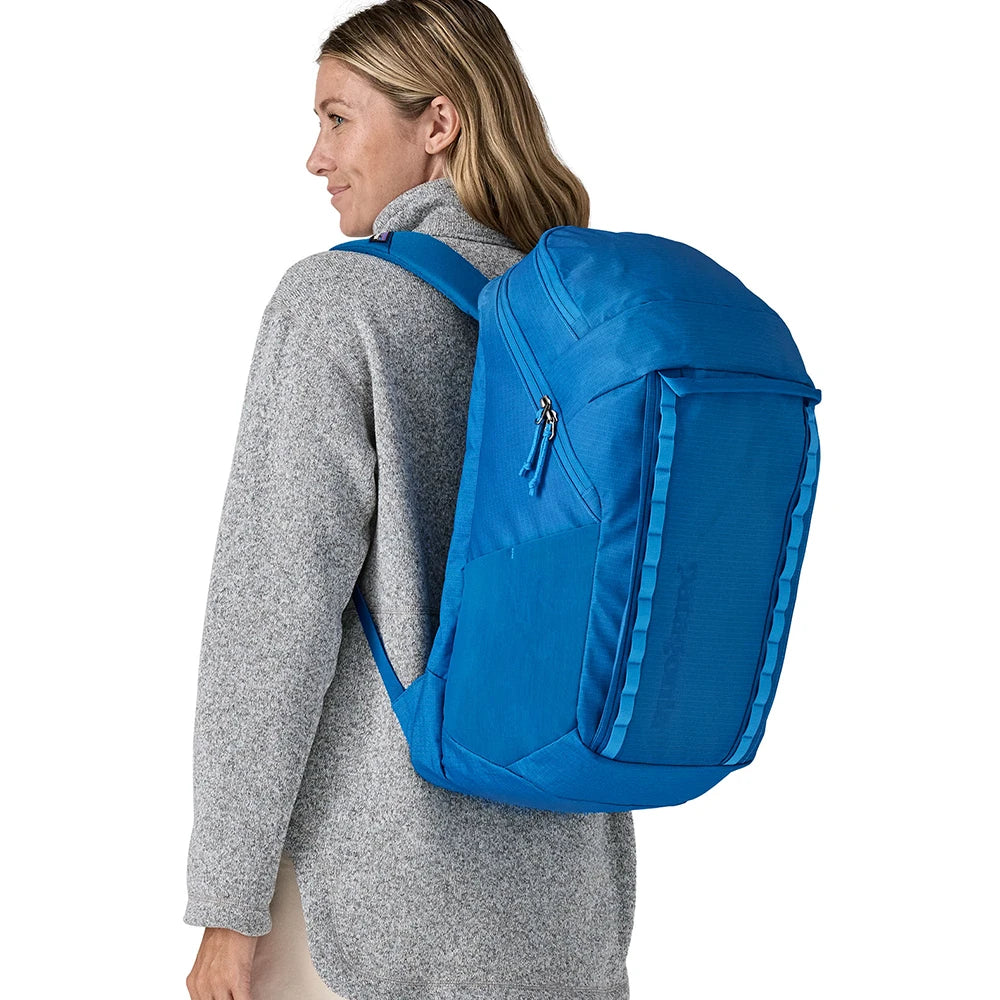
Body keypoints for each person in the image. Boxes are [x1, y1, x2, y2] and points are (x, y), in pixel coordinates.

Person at [183, 3, 636, 999]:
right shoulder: (582, 321)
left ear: (438, 122)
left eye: (338, 118)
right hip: (568, 899)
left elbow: (272, 620)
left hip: (374, 903)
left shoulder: (338, 303)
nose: (316, 156)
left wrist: (227, 904)